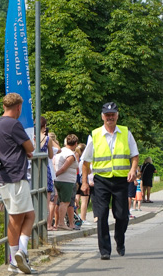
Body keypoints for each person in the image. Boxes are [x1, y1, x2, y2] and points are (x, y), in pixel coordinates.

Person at [81, 102, 139, 260]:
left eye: (112, 114)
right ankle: (104, 250)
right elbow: (85, 162)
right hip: (101, 181)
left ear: (117, 115)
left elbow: (134, 155)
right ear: (102, 117)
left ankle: (119, 240)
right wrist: (85, 182)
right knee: (101, 214)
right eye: (107, 115)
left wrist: (133, 169)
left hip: (121, 179)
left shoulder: (126, 133)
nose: (110, 117)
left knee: (122, 215)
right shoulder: (95, 135)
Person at [0, 93, 36, 274]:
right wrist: (23, 151)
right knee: (22, 217)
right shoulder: (14, 124)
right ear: (18, 107)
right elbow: (31, 147)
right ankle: (18, 256)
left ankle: (18, 256)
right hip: (16, 176)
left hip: (4, 176)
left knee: (21, 216)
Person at [53, 134, 79, 231]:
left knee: (59, 203)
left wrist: (54, 176)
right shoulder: (70, 155)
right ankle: (61, 223)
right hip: (66, 181)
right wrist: (55, 175)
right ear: (75, 144)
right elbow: (64, 168)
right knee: (65, 202)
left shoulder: (61, 151)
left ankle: (58, 222)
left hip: (59, 180)